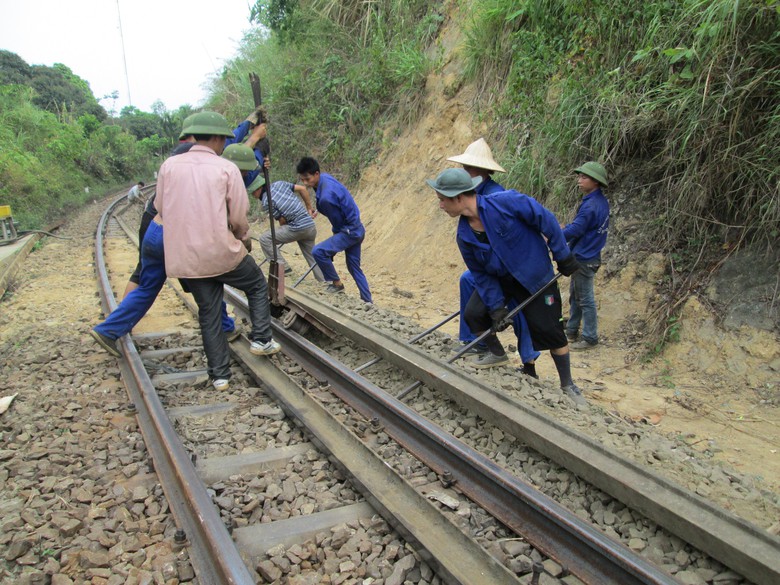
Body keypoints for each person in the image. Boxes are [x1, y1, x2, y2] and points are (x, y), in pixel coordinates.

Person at [426, 167, 586, 405]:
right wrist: (496, 307)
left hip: (533, 276)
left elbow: (545, 219)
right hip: (501, 280)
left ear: (458, 197)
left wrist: (562, 254)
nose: (440, 205)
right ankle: (497, 354)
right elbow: (481, 274)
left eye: (442, 199)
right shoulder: (464, 236)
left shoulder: (506, 202)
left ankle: (568, 384)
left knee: (551, 331)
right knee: (474, 314)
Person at [155, 111, 281, 391]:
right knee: (256, 284)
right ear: (216, 138)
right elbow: (238, 216)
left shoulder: (168, 167)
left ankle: (220, 376)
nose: (224, 144)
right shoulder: (225, 168)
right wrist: (241, 237)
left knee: (209, 312)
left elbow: (161, 207)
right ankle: (262, 339)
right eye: (224, 139)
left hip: (185, 257)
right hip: (220, 251)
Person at [90, 142, 239, 359]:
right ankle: (225, 327)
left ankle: (108, 330)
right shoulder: (200, 180)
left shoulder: (171, 175)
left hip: (155, 231)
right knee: (206, 283)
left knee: (147, 288)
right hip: (176, 238)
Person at [447, 138, 540, 375]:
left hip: (511, 264)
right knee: (468, 279)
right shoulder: (472, 193)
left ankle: (529, 360)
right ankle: (474, 340)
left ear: (481, 171)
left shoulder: (495, 195)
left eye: (468, 168)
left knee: (517, 303)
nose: (465, 172)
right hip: (492, 263)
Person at [296, 157, 372, 303]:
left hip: (349, 232)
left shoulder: (326, 197)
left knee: (318, 251)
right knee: (354, 267)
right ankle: (368, 301)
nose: (305, 183)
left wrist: (332, 250)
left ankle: (337, 284)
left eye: (307, 179)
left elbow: (337, 222)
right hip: (357, 228)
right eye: (302, 179)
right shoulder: (325, 178)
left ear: (316, 174)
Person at [563, 161, 610, 350]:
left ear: (595, 181)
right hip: (589, 254)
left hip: (584, 257)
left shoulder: (590, 206)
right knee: (576, 295)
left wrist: (555, 236)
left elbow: (576, 229)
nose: (579, 180)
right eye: (579, 177)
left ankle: (590, 337)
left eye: (584, 177)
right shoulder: (600, 202)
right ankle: (572, 330)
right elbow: (583, 228)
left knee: (585, 298)